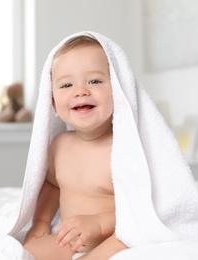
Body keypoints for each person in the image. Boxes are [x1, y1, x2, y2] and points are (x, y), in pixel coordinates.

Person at [23, 35, 128, 259]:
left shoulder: (124, 149)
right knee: (23, 254)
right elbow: (52, 185)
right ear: (54, 105)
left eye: (94, 81)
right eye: (67, 85)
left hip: (114, 237)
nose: (80, 91)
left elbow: (141, 207)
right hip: (71, 240)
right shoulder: (60, 145)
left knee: (128, 243)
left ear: (118, 90)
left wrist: (99, 223)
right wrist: (41, 222)